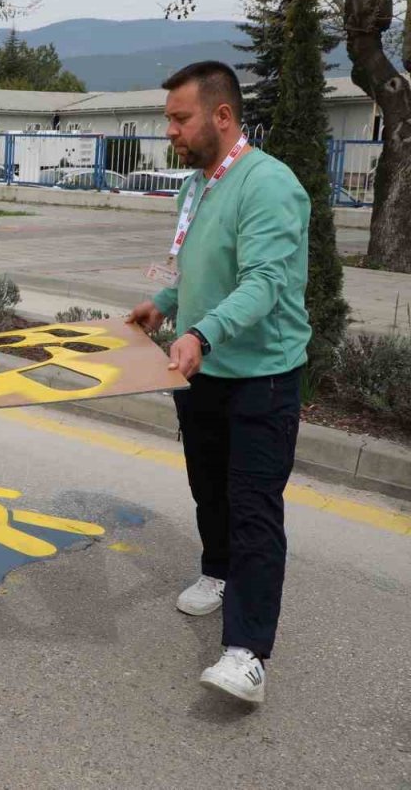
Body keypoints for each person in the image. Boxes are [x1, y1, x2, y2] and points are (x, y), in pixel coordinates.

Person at [127, 60, 310, 706]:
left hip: (261, 376)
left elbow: (263, 282)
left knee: (255, 508)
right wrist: (164, 304)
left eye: (181, 118)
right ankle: (217, 570)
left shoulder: (270, 186)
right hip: (200, 372)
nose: (171, 131)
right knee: (209, 487)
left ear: (222, 116)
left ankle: (248, 653)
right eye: (169, 119)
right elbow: (199, 269)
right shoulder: (196, 186)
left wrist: (202, 334)